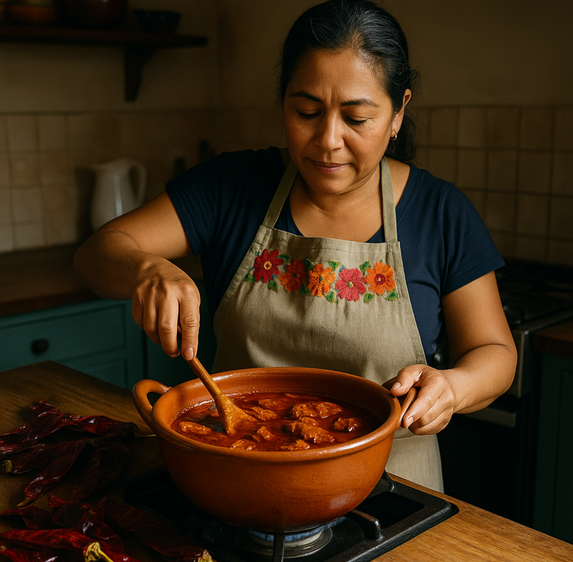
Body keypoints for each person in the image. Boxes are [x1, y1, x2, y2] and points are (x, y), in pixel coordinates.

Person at [74, 0, 517, 492]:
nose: (327, 140)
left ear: (398, 113)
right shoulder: (232, 186)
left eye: (357, 119)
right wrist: (144, 268)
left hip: (393, 495)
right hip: (238, 480)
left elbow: (494, 352)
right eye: (306, 111)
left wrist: (454, 387)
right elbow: (96, 253)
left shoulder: (440, 211)